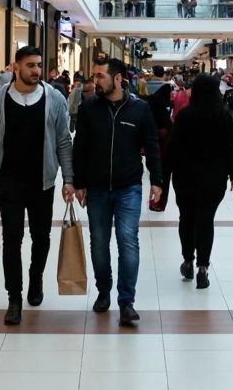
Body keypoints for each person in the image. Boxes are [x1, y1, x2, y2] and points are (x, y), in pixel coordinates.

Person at [0, 46, 75, 326]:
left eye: (39, 65)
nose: (36, 70)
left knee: (41, 238)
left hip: (41, 180)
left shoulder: (54, 98)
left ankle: (36, 278)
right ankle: (14, 298)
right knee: (12, 239)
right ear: (15, 67)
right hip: (8, 180)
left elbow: (63, 141)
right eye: (30, 65)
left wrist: (68, 179)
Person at [72, 57, 163, 326]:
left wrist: (157, 181)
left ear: (119, 79)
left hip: (128, 187)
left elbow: (152, 146)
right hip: (98, 188)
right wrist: (79, 182)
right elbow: (81, 148)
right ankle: (103, 291)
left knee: (127, 240)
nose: (95, 81)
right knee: (99, 243)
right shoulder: (89, 108)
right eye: (94, 76)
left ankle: (126, 301)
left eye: (100, 76)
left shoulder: (140, 109)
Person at [168, 74, 233, 288]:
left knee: (187, 218)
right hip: (214, 178)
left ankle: (188, 260)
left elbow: (174, 147)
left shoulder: (184, 116)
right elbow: (229, 149)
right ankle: (203, 268)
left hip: (185, 177)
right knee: (206, 220)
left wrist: (163, 176)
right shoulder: (223, 117)